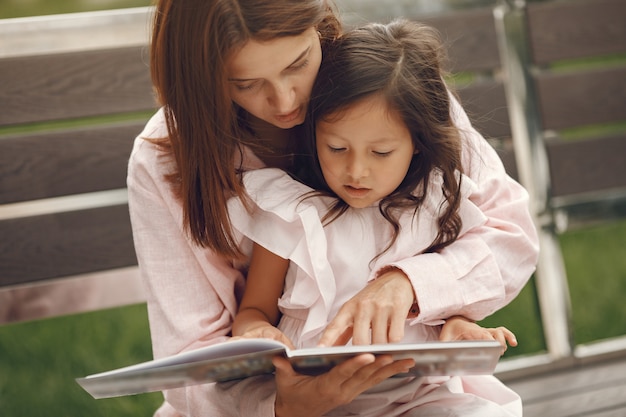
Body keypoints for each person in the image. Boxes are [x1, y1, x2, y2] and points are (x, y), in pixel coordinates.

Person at [127, 0, 539, 416]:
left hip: (418, 394)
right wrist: (281, 406)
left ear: (319, 24)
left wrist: (411, 285)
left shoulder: (387, 82)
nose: (284, 101)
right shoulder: (165, 159)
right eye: (246, 83)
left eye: (297, 64)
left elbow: (510, 235)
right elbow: (191, 353)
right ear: (203, 78)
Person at [229, 19, 521, 415]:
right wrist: (258, 332)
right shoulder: (291, 214)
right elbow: (253, 312)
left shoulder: (431, 208)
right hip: (323, 401)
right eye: (336, 147)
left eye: (380, 153)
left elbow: (442, 307)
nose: (356, 172)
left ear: (417, 145)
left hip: (418, 394)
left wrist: (458, 332)